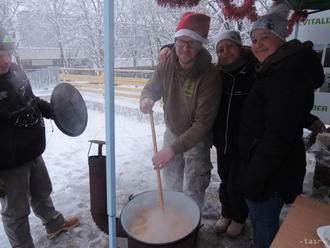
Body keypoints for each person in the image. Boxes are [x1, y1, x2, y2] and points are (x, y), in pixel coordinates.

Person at [237, 4, 325, 248]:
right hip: (265, 164)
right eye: (254, 39)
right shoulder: (275, 68)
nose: (257, 45)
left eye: (265, 38)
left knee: (264, 222)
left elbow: (278, 136)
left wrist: (254, 178)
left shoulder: (284, 74)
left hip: (272, 172)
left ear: (281, 39)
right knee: (260, 219)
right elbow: (284, 111)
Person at [0, 27, 79, 248]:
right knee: (16, 211)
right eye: (0, 55)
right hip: (8, 163)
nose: (6, 60)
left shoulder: (15, 71)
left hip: (32, 149)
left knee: (42, 191)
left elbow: (30, 101)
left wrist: (55, 111)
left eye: (8, 53)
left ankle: (53, 223)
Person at [140, 12, 222, 209]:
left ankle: (191, 227)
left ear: (200, 45)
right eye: (182, 41)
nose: (186, 48)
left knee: (195, 186)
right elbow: (152, 86)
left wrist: (173, 149)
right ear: (174, 41)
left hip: (197, 138)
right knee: (171, 182)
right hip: (172, 131)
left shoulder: (210, 76)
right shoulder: (166, 63)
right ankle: (171, 220)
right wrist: (146, 98)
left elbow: (203, 124)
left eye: (192, 43)